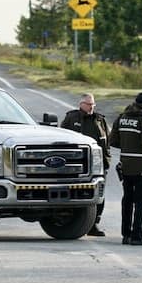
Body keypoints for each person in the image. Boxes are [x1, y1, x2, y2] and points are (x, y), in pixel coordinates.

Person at [110, 92, 142, 245]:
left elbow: (113, 140)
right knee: (140, 202)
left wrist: (127, 146)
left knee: (127, 200)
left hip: (126, 165)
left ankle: (126, 235)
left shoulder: (122, 118)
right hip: (141, 166)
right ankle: (137, 235)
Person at [61, 93, 111, 236]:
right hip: (75, 165)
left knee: (98, 195)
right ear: (81, 104)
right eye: (89, 104)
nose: (91, 107)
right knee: (77, 194)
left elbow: (107, 141)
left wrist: (107, 160)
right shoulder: (71, 118)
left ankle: (93, 224)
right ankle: (74, 222)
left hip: (97, 165)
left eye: (93, 104)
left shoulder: (100, 120)